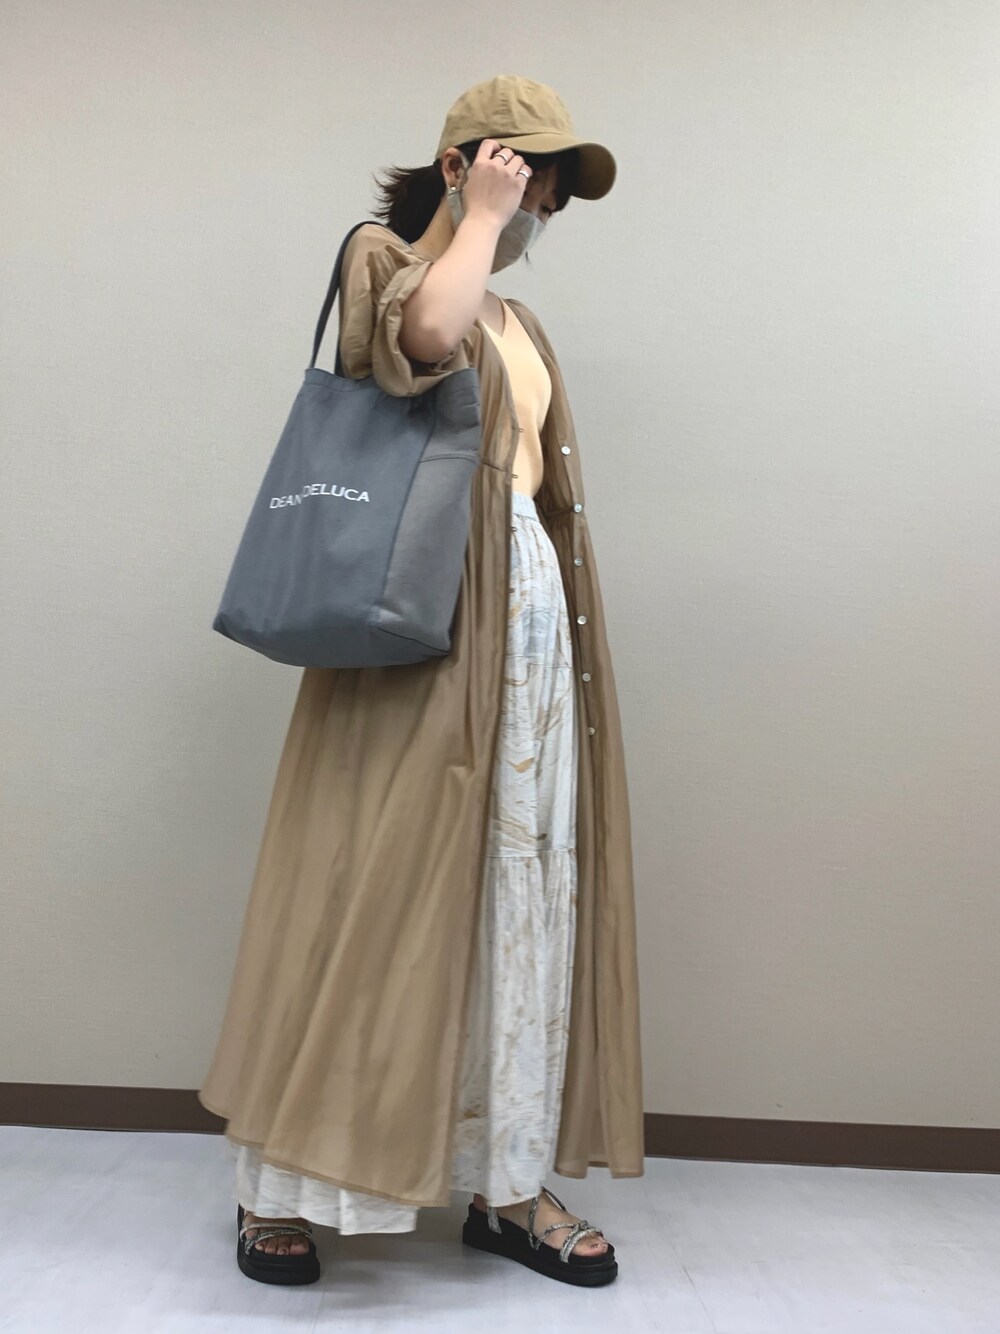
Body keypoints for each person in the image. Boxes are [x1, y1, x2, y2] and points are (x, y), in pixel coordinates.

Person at [198, 74, 643, 1291]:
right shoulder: (387, 259)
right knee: (369, 890)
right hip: (425, 630)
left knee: (514, 894)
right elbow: (420, 346)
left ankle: (505, 1179)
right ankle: (283, 1184)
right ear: (462, 163)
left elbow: (532, 487)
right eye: (527, 174)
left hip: (526, 631)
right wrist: (480, 218)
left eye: (549, 191)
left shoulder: (520, 318)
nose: (541, 203)